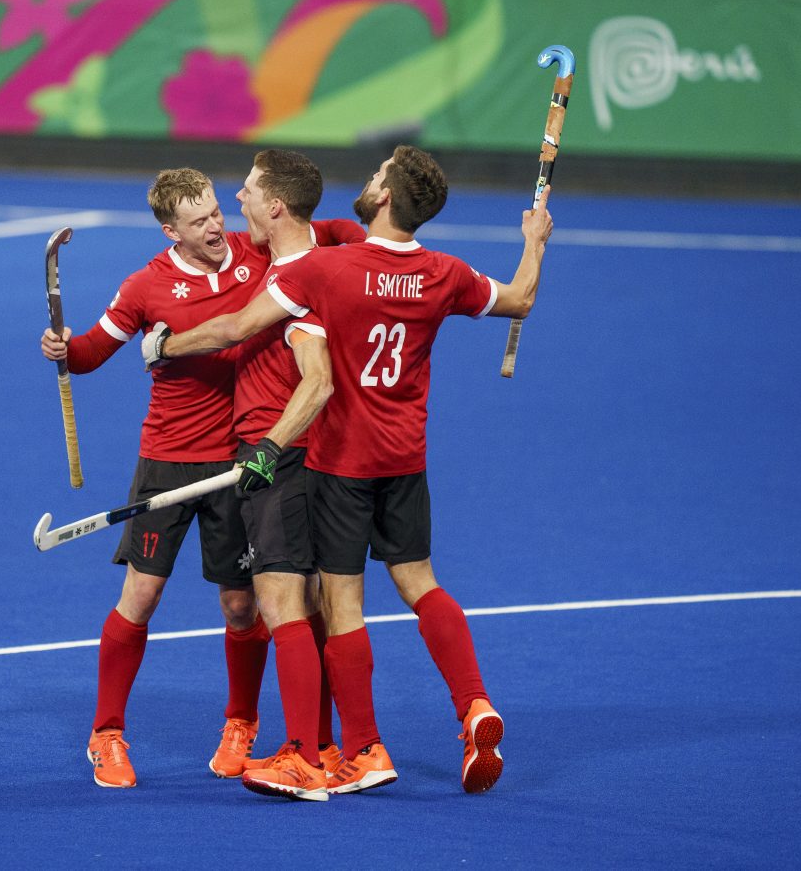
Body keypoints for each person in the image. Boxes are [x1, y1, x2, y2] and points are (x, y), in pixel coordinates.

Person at [142, 145, 554, 795]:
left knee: (341, 605)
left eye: (376, 175)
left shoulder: (330, 270)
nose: (367, 181)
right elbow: (522, 298)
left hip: (342, 466)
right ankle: (474, 703)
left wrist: (165, 344)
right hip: (407, 461)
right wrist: (534, 240)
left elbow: (237, 326)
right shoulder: (444, 273)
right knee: (422, 584)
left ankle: (350, 751)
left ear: (387, 197)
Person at [40, 167, 362, 789]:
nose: (218, 227)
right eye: (200, 221)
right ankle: (106, 732)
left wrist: (374, 239)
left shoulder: (252, 251)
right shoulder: (143, 286)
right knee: (142, 596)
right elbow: (90, 354)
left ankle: (241, 722)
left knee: (243, 606)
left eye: (217, 211)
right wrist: (63, 347)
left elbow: (326, 230)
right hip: (166, 459)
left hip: (239, 462)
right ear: (171, 230)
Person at [220, 150, 362, 802]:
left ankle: (303, 755)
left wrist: (268, 447)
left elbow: (318, 380)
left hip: (283, 452)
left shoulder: (301, 283)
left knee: (280, 602)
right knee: (311, 603)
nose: (237, 200)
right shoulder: (329, 252)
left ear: (276, 206)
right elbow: (341, 228)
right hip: (319, 454)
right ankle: (329, 746)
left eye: (247, 191)